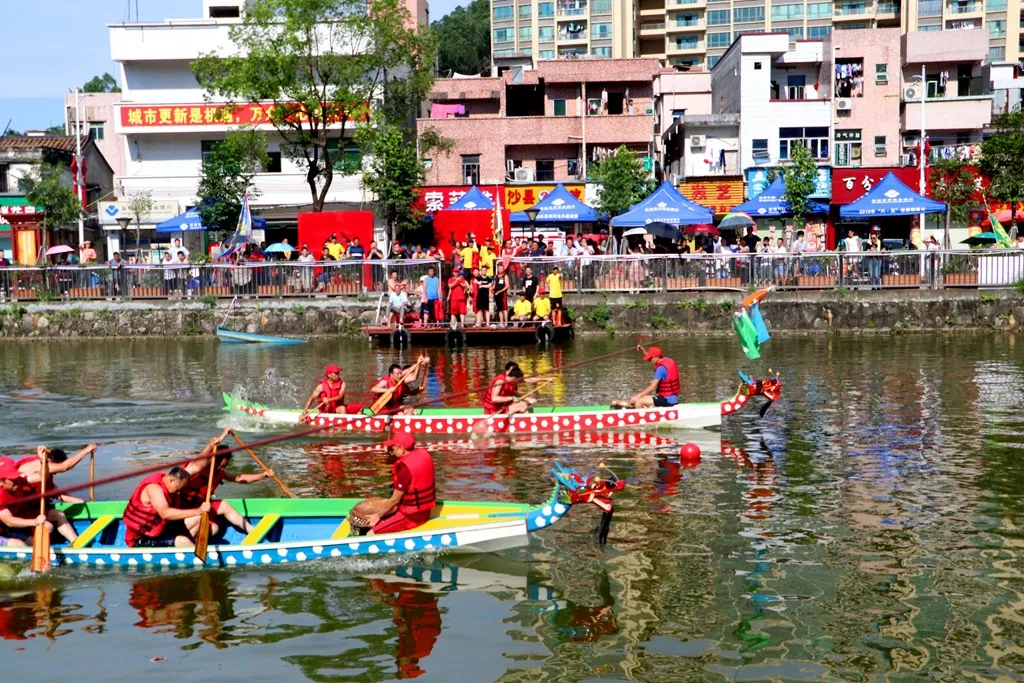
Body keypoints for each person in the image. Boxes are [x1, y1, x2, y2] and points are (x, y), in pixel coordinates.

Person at [180, 430, 275, 539]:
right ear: (213, 460)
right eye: (220, 465)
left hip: (202, 505)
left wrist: (262, 475)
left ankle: (253, 532)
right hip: (185, 508)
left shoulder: (219, 473)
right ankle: (186, 542)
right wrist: (222, 436)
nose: (222, 469)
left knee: (224, 507)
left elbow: (240, 478)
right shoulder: (197, 468)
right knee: (214, 528)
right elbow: (201, 457)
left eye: (224, 466)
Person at [346, 433, 435, 535]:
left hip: (412, 517)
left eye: (393, 449)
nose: (392, 452)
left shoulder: (405, 469)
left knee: (370, 533)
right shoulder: (423, 455)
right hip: (424, 510)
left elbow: (395, 500)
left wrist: (378, 515)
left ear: (401, 449)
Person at [15, 443, 97, 543]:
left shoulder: (46, 474)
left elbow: (57, 494)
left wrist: (82, 503)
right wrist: (86, 450)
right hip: (19, 512)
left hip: (33, 509)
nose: (56, 473)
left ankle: (77, 544)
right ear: (50, 461)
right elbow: (64, 467)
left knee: (58, 515)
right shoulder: (37, 465)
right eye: (55, 468)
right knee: (51, 523)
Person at [122, 467, 209, 548]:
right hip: (141, 537)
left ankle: (191, 546)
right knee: (183, 541)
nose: (178, 492)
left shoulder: (168, 480)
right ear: (171, 480)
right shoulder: (154, 489)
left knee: (199, 519)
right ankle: (192, 552)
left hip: (160, 528)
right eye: (177, 489)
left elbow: (196, 465)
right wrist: (198, 510)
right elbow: (165, 514)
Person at [0, 457, 51, 548]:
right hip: (6, 527)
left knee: (37, 543)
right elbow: (9, 521)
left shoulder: (18, 481)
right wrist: (34, 522)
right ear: (1, 482)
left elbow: (42, 477)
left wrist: (43, 462)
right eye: (12, 478)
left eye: (15, 475)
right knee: (18, 545)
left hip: (7, 530)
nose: (16, 479)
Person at [613, 346, 679, 409]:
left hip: (667, 400)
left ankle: (639, 415)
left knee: (639, 401)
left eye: (650, 359)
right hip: (673, 398)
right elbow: (652, 357)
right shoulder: (668, 360)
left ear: (656, 357)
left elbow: (652, 387)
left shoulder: (660, 369)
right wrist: (643, 350)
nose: (649, 360)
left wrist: (638, 396)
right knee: (643, 398)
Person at [482, 362, 547, 415]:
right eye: (518, 381)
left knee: (531, 401)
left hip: (503, 406)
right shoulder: (499, 382)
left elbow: (528, 379)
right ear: (514, 378)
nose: (519, 382)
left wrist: (545, 379)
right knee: (522, 405)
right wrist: (512, 398)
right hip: (493, 411)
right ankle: (528, 421)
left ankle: (522, 416)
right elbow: (494, 398)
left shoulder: (513, 380)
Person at [493, 263, 509, 327]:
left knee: (504, 309)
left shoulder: (505, 276)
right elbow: (494, 286)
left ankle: (506, 323)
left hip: (503, 295)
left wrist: (499, 291)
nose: (500, 269)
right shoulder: (496, 276)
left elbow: (507, 286)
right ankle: (501, 322)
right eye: (499, 268)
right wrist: (490, 289)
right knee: (499, 309)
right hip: (497, 295)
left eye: (501, 268)